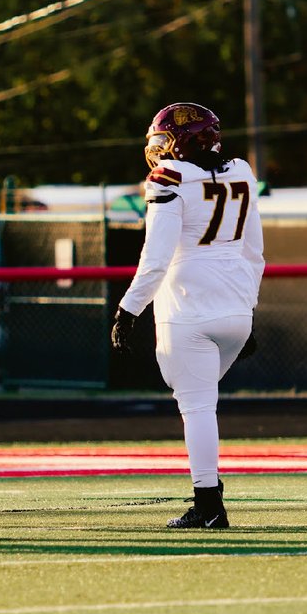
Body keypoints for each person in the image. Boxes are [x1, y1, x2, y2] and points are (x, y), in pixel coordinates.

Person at [111, 103, 264, 529]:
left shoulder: (168, 178)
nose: (158, 149)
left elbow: (155, 258)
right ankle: (210, 488)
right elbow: (255, 252)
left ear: (184, 140)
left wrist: (129, 308)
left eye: (164, 139)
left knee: (196, 407)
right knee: (200, 402)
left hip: (189, 304)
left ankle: (209, 505)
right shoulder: (242, 172)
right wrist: (247, 309)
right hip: (236, 306)